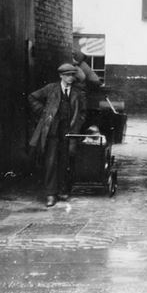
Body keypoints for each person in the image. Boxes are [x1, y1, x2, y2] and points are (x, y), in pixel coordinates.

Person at [28, 63, 86, 207]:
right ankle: (50, 194)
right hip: (52, 131)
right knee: (51, 162)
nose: (70, 78)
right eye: (67, 75)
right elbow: (32, 97)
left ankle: (62, 190)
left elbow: (83, 113)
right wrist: (44, 112)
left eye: (72, 75)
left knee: (65, 161)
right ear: (61, 76)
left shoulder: (78, 93)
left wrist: (76, 126)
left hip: (69, 131)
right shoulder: (51, 89)